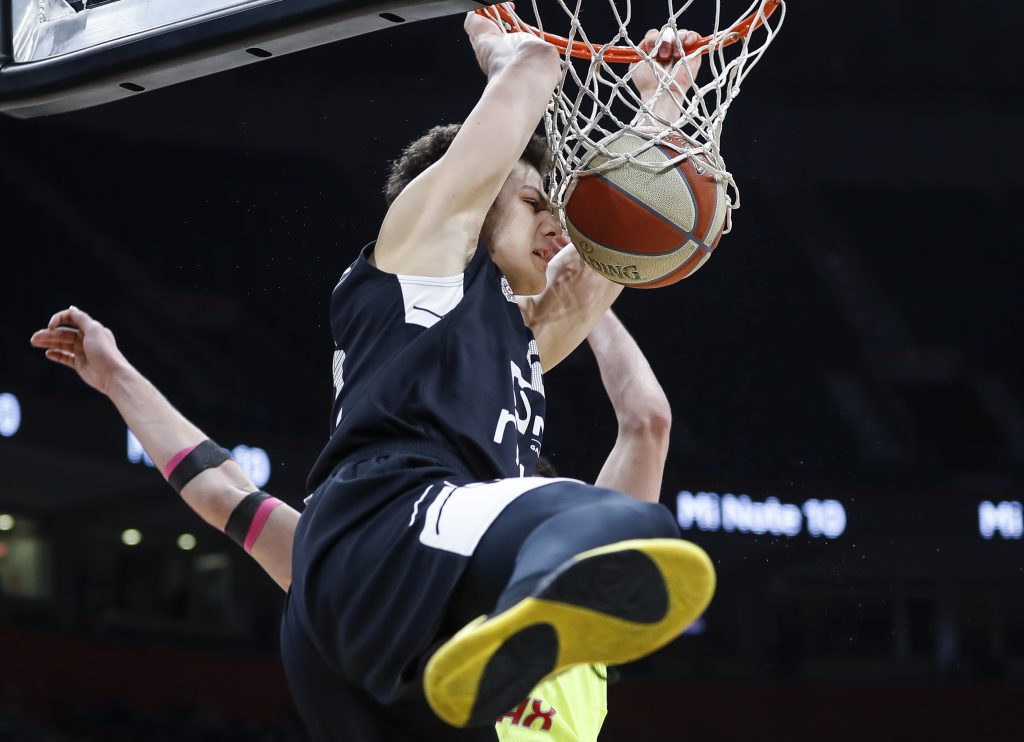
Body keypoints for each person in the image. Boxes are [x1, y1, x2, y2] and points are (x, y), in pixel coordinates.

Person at [35, 15, 715, 741]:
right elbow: (531, 78)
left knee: (588, 539)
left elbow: (224, 494)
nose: (558, 221)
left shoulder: (510, 338)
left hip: (352, 616)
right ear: (468, 198)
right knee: (609, 522)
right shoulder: (418, 262)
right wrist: (512, 57)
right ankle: (530, 612)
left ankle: (513, 625)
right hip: (395, 523)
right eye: (534, 201)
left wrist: (662, 104)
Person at [31, 305, 676, 742]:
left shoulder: (376, 561)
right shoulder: (585, 577)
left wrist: (116, 377)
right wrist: (594, 278)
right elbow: (646, 420)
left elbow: (221, 491)